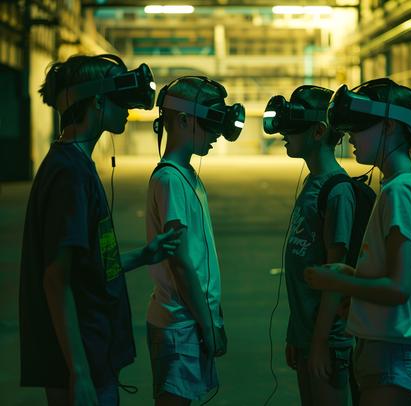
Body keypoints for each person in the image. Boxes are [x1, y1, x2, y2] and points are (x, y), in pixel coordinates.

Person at [19, 54, 182, 406]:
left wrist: (144, 255)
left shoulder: (75, 163)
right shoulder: (70, 174)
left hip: (95, 354)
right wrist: (79, 373)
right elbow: (55, 279)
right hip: (83, 363)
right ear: (96, 100)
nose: (129, 110)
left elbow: (86, 266)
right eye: (121, 100)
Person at [304, 78, 411, 406]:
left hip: (391, 353)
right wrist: (352, 276)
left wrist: (339, 281)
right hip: (388, 348)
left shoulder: (399, 191)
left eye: (360, 125)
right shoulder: (401, 185)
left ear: (389, 126)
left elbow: (398, 289)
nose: (351, 135)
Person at [263, 85, 373, 405]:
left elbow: (335, 277)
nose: (284, 133)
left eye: (292, 127)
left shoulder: (336, 191)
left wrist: (320, 343)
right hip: (307, 334)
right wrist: (295, 333)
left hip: (327, 340)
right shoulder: (314, 183)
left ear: (318, 131)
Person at [146, 76, 244, 405]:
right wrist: (207, 324)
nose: (217, 134)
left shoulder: (187, 175)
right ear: (184, 119)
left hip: (190, 319)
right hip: (179, 324)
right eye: (210, 122)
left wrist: (214, 316)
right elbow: (181, 261)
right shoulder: (171, 180)